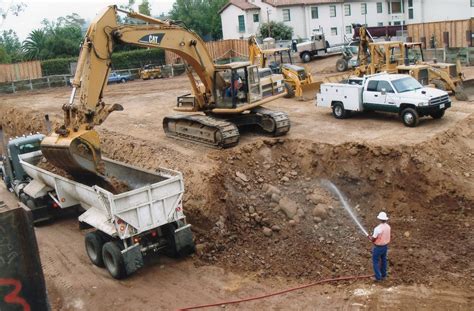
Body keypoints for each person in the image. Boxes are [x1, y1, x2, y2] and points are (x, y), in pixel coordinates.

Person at [368, 211, 391, 281]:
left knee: (375, 261)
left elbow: (373, 239)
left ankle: (378, 277)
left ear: (379, 219)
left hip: (378, 248)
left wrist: (370, 238)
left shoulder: (378, 228)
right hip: (385, 246)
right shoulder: (388, 227)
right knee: (384, 260)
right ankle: (384, 275)